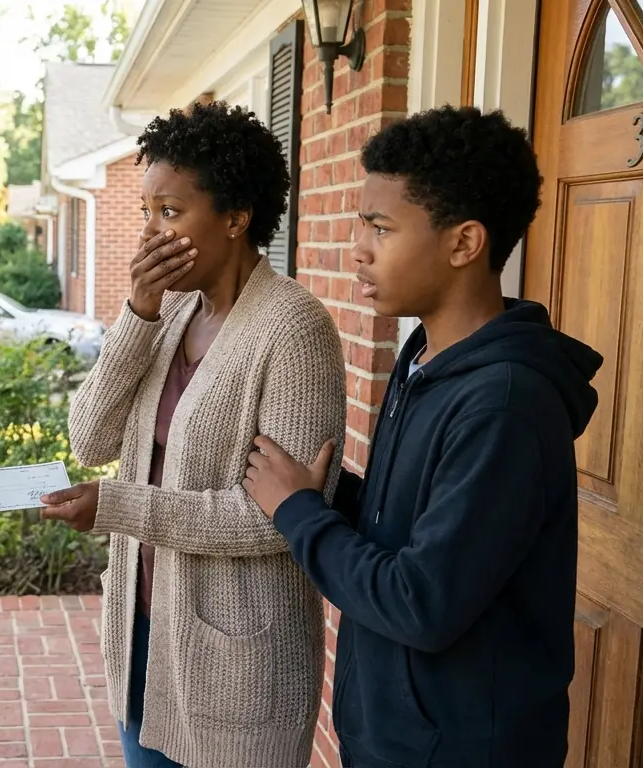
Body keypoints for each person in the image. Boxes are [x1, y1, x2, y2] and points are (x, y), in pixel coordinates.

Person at [243, 106, 603, 766]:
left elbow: (422, 603)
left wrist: (298, 514)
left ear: (464, 243)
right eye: (359, 222)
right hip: (394, 738)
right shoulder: (422, 358)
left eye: (381, 227)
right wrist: (334, 496)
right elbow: (416, 530)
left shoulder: (506, 405)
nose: (358, 247)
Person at [39, 100, 347, 767]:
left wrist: (116, 505)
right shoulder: (170, 311)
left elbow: (276, 519)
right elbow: (90, 438)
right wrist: (138, 314)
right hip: (143, 636)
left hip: (236, 668)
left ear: (236, 219)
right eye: (145, 211)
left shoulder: (294, 330)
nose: (150, 233)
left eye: (170, 213)